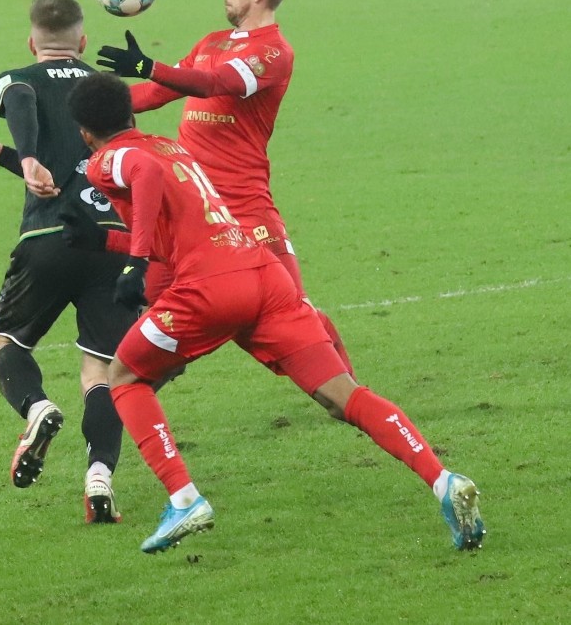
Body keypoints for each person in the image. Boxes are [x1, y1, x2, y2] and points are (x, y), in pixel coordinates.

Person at [65, 72, 486, 554]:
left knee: (123, 376)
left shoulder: (106, 159)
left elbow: (142, 174)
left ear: (84, 132)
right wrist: (107, 241)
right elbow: (181, 229)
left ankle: (184, 499)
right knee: (342, 396)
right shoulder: (170, 145)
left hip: (209, 289)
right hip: (262, 274)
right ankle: (443, 480)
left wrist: (133, 263)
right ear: (132, 113)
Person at [96, 0, 354, 376]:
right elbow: (155, 95)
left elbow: (215, 82)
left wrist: (149, 64)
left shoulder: (273, 53)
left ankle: (345, 391)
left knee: (292, 310)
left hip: (246, 207)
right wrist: (90, 110)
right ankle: (123, 402)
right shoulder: (211, 42)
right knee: (158, 314)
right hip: (193, 211)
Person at [0, 0, 138, 524]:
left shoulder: (15, 78)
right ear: (82, 42)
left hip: (49, 240)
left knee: (5, 342)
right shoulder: (109, 94)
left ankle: (37, 408)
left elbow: (26, 100)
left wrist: (24, 155)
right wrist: (7, 157)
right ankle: (99, 479)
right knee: (102, 371)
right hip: (115, 245)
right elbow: (85, 172)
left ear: (33, 41)